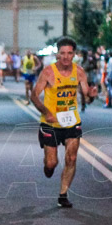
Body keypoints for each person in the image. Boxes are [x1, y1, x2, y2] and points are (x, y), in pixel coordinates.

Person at [30, 37, 97, 209]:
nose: (66, 57)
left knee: (72, 157)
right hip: (50, 123)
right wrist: (46, 112)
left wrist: (91, 95)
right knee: (51, 163)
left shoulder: (79, 72)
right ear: (57, 54)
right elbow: (34, 96)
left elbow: (86, 97)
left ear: (74, 54)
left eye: (69, 53)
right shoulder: (48, 72)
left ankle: (63, 194)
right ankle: (48, 165)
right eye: (62, 54)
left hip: (71, 122)